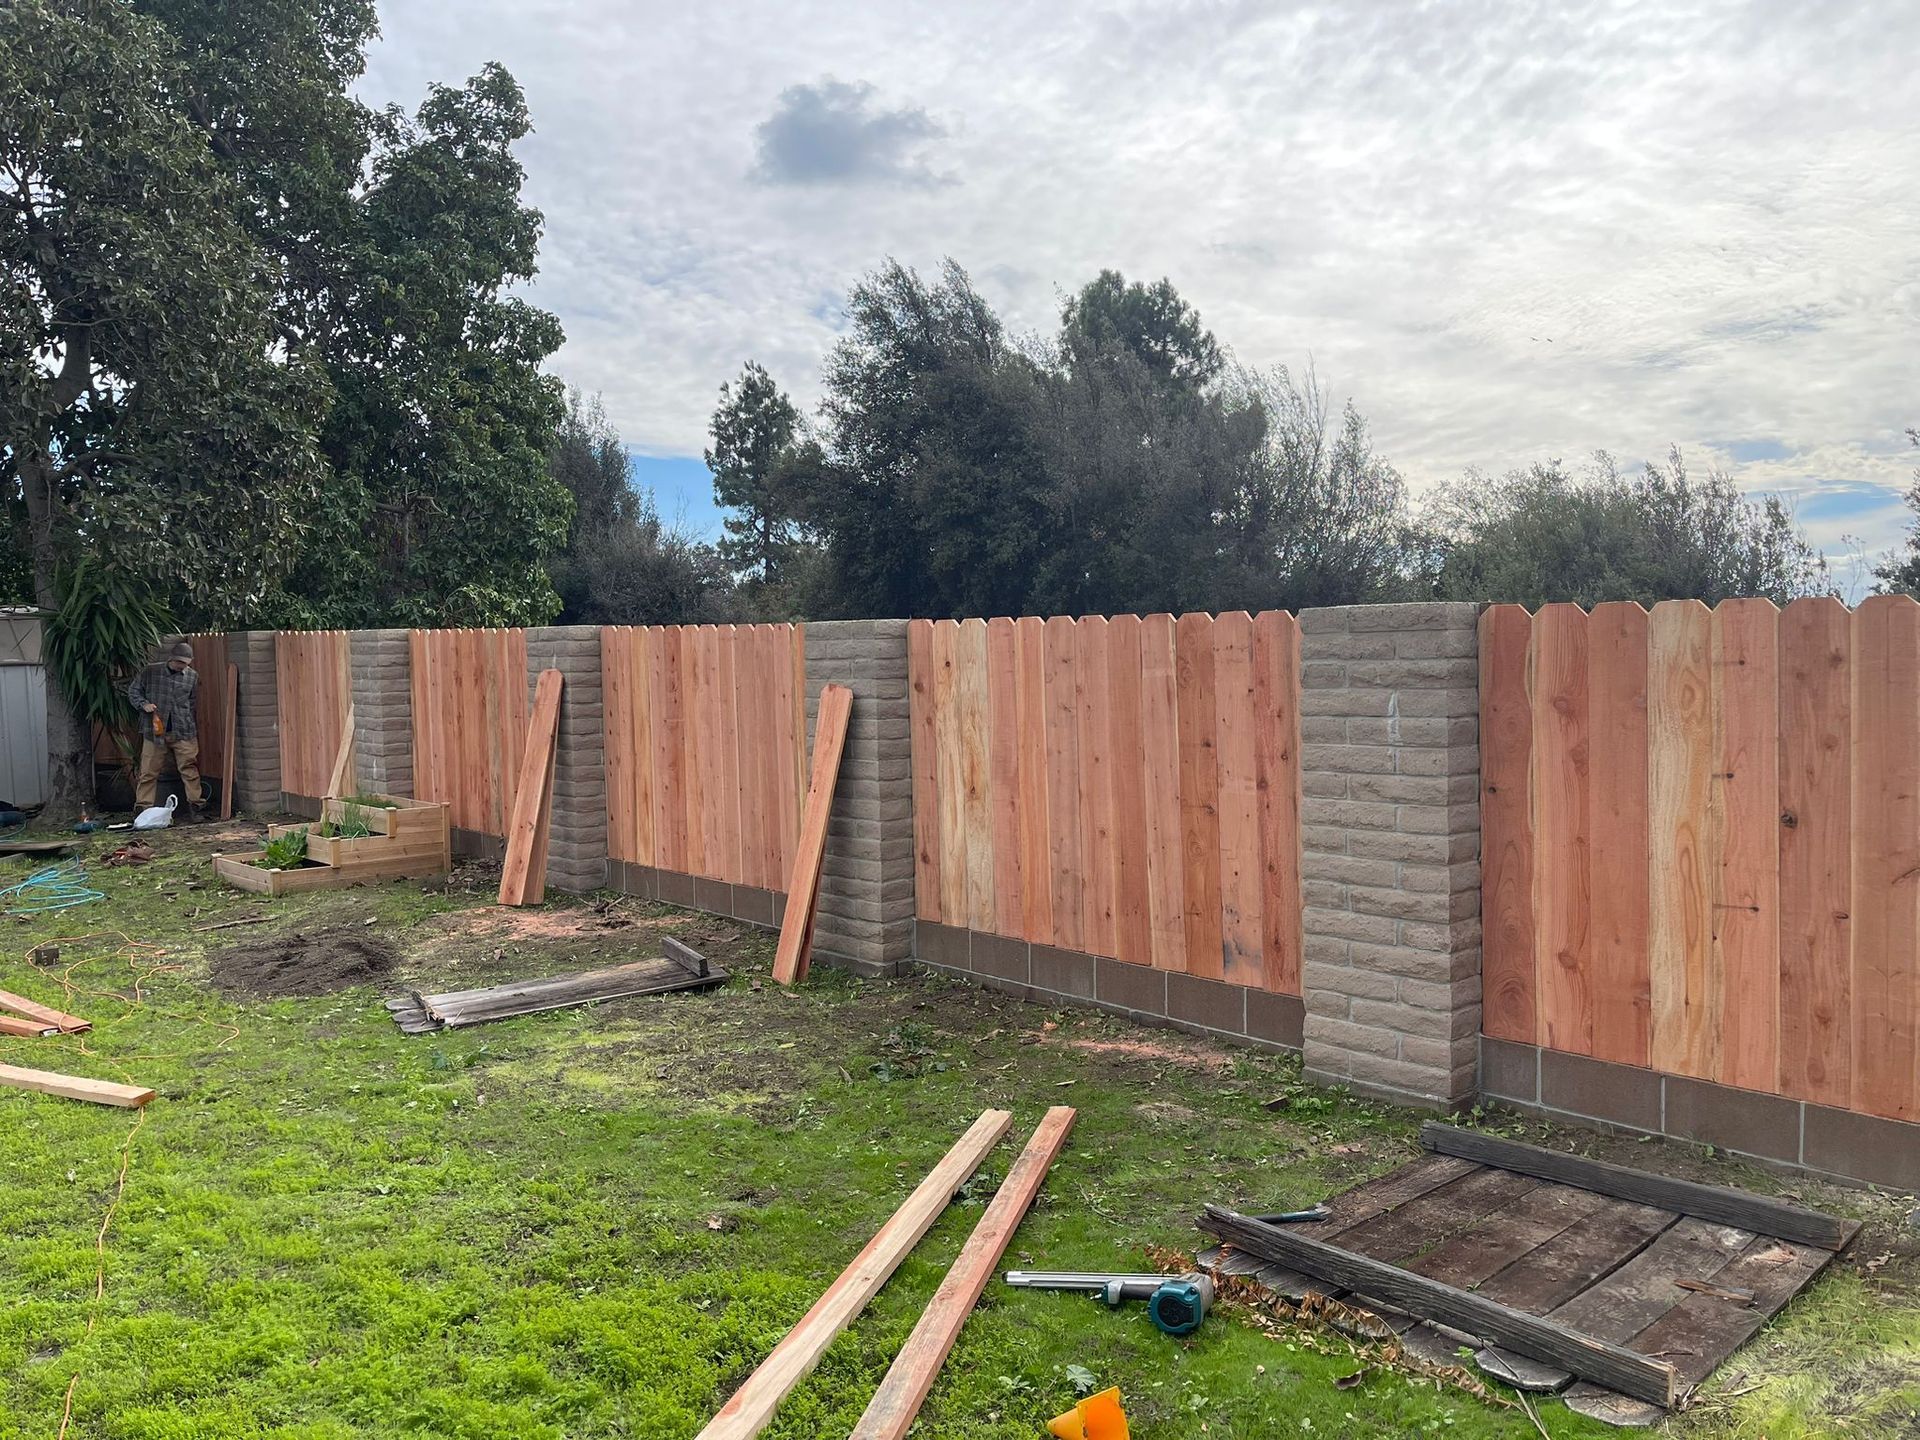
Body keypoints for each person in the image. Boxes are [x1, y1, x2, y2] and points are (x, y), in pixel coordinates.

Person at [129, 641, 204, 818]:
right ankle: (143, 809)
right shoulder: (150, 672)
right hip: (154, 732)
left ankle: (196, 806)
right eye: (179, 662)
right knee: (148, 771)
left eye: (185, 663)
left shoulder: (192, 677)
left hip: (184, 731)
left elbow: (192, 702)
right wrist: (144, 704)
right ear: (171, 659)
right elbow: (133, 691)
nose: (182, 666)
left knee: (190, 769)